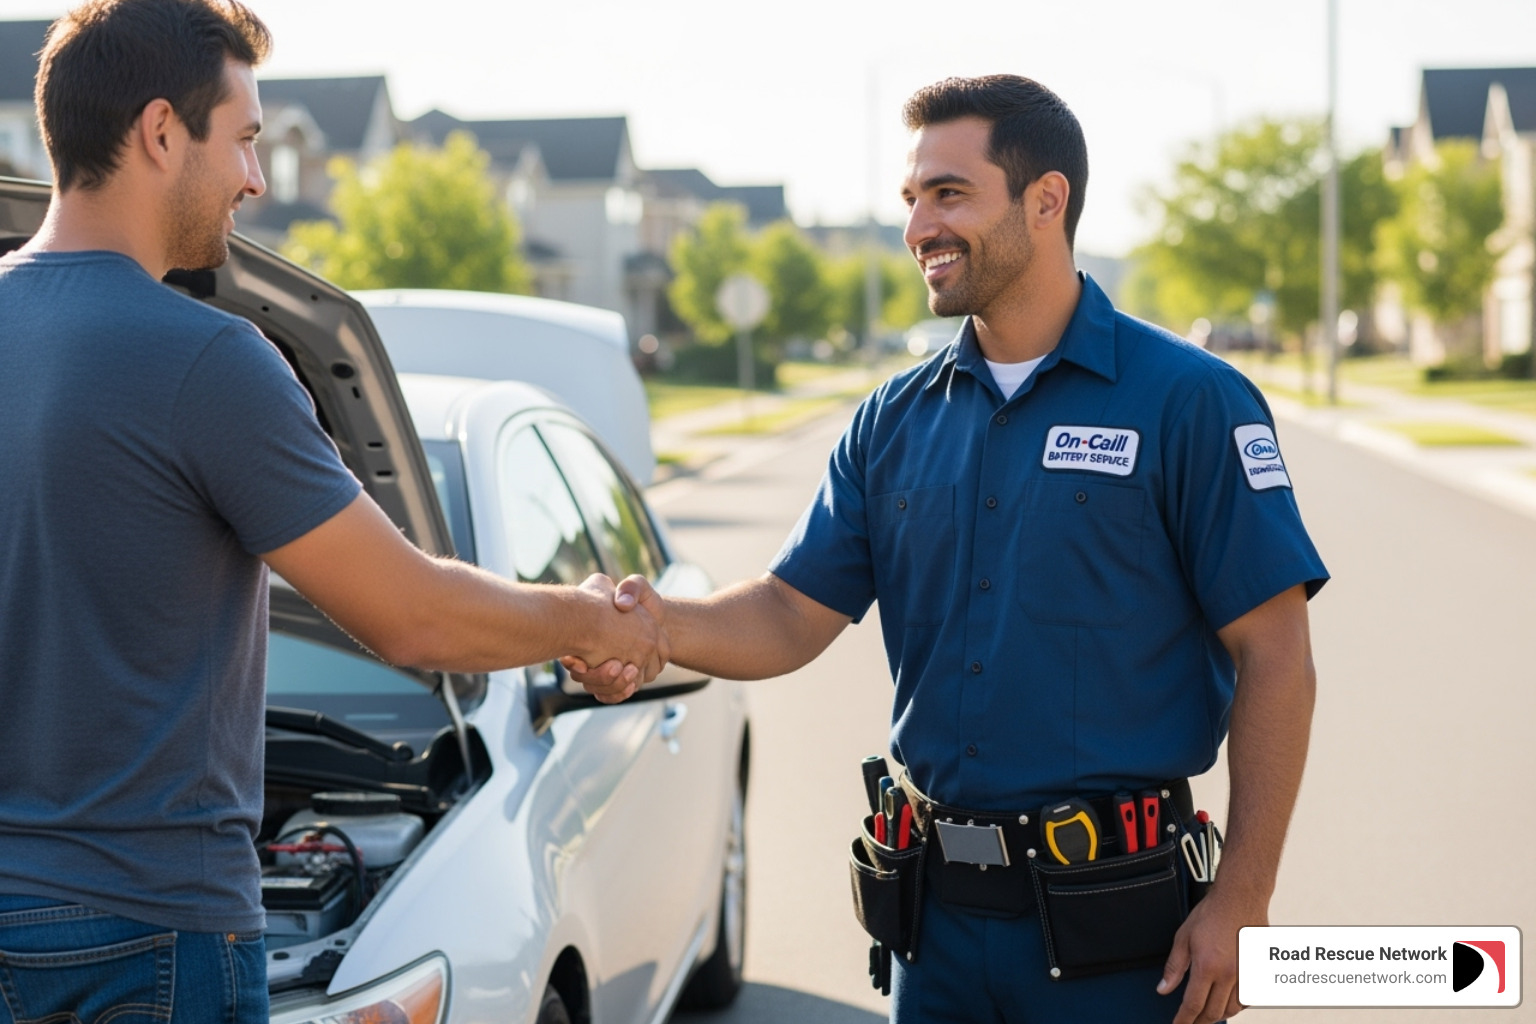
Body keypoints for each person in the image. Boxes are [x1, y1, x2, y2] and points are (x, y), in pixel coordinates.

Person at [570, 75, 1327, 1024]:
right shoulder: (891, 421)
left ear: (1046, 201)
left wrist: (1245, 899)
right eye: (912, 198)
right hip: (934, 937)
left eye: (950, 193)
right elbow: (786, 614)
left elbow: (1278, 656)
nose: (919, 225)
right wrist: (654, 626)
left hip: (1121, 941)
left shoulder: (1189, 402)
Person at [0, 1, 663, 1018]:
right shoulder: (208, 359)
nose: (258, 179)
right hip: (147, 939)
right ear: (162, 131)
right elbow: (413, 615)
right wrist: (582, 617)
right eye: (247, 141)